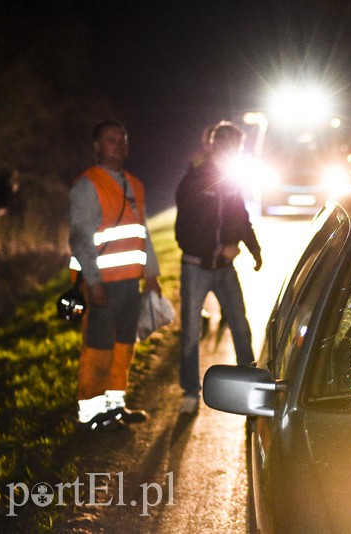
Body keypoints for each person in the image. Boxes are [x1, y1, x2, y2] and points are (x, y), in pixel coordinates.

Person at [69, 119, 162, 431]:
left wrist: (151, 272)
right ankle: (91, 414)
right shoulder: (87, 184)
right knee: (98, 345)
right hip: (102, 284)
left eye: (122, 140)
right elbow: (81, 238)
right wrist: (93, 283)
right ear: (97, 147)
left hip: (129, 282)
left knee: (124, 342)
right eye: (111, 140)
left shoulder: (135, 184)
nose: (119, 145)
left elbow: (142, 232)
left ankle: (115, 405)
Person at [174, 120, 263, 414]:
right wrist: (217, 249)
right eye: (230, 147)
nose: (234, 152)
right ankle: (190, 392)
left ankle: (252, 389)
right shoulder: (194, 181)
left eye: (237, 148)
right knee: (189, 333)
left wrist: (254, 249)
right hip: (196, 268)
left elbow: (241, 218)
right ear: (215, 145)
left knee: (240, 325)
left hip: (225, 268)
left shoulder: (233, 180)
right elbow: (184, 230)